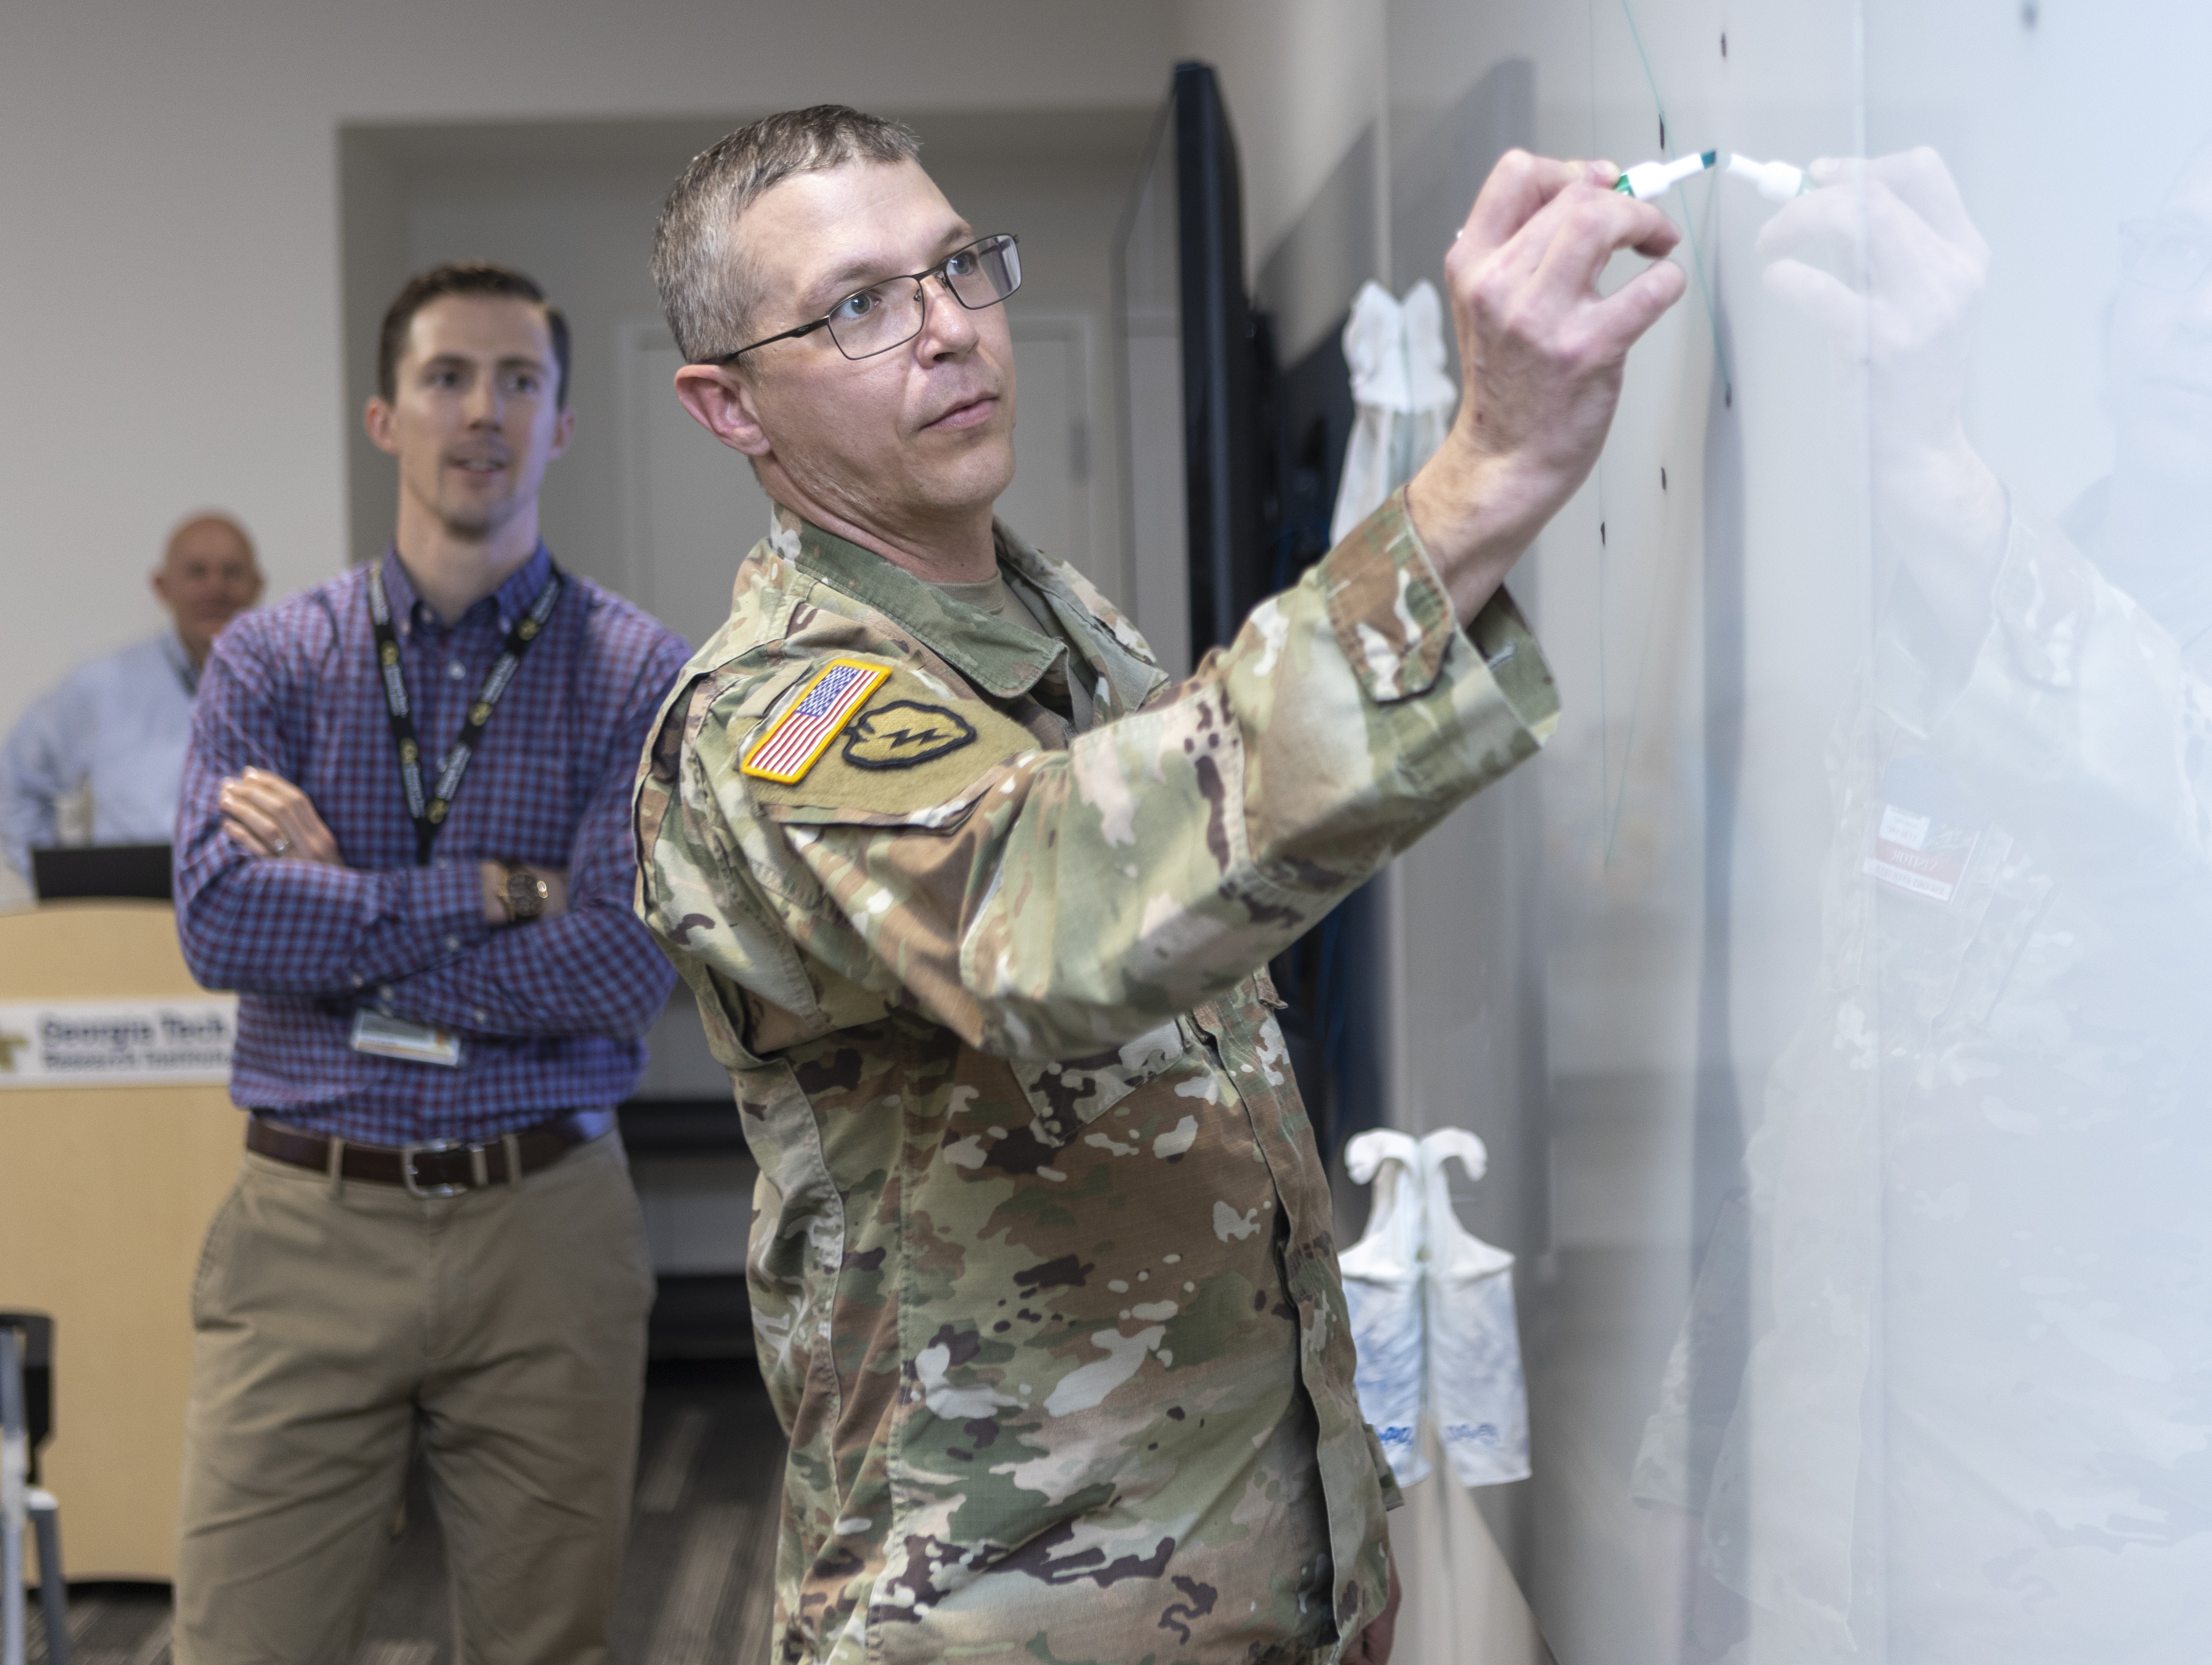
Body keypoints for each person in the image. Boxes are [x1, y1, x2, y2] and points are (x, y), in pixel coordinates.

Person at [629, 105, 1686, 1664]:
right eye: (857, 303)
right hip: (1007, 1610)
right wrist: (1487, 472)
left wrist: (1345, 1537)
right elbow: (1058, 921)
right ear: (728, 408)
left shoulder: (1056, 624)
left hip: (1249, 1572)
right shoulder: (772, 721)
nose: (943, 329)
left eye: (953, 269)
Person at [1632, 97, 2212, 1662]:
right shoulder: (1943, 626)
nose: (2206, 311)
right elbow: (1836, 1076)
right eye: (2180, 251)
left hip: (2151, 1589)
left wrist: (1926, 466)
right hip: (1839, 1572)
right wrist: (1696, 1484)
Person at [169, 262, 692, 1665]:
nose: (484, 411)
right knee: (243, 1644)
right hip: (308, 1227)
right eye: (448, 377)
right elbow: (222, 922)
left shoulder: (643, 677)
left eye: (520, 382)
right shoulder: (271, 661)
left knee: (548, 1647)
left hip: (546, 1224)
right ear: (385, 417)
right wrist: (489, 895)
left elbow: (617, 968)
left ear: (561, 426)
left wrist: (342, 908)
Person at [0, 511, 263, 876]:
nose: (216, 588)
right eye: (197, 572)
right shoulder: (104, 684)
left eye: (232, 573)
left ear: (257, 586)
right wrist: (60, 888)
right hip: (127, 916)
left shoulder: (299, 689)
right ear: (162, 586)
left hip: (253, 915)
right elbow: (16, 776)